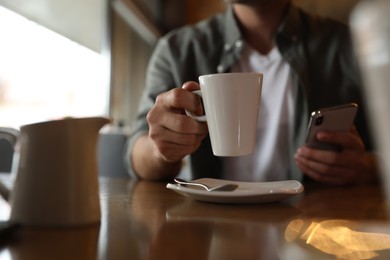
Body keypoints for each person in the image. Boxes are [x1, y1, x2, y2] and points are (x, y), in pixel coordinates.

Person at [124, 0, 379, 185]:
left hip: (314, 234)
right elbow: (136, 153)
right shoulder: (177, 49)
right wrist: (160, 150)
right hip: (208, 228)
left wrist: (366, 167)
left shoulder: (351, 46)